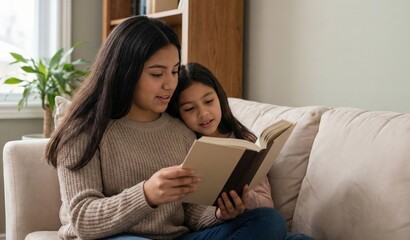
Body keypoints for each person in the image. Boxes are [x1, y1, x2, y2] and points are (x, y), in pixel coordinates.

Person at [45, 15, 288, 240]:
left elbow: (190, 212)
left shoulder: (179, 131)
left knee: (269, 221)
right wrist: (146, 194)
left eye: (173, 71)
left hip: (179, 237)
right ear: (125, 72)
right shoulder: (82, 129)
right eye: (157, 74)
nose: (170, 84)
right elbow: (82, 218)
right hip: (115, 238)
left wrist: (219, 215)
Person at [167, 62, 313, 240]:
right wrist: (218, 215)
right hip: (204, 232)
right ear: (178, 112)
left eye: (208, 101)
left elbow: (266, 204)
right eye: (190, 108)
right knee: (272, 222)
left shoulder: (243, 140)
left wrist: (243, 198)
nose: (203, 113)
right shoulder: (180, 142)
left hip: (243, 225)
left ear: (219, 98)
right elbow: (184, 214)